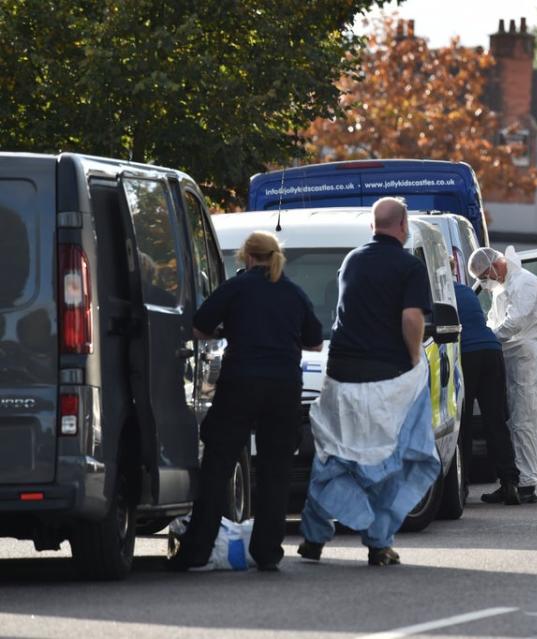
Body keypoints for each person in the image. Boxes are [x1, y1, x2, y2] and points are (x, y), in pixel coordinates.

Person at [168, 231, 324, 571]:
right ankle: (267, 552)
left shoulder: (236, 288)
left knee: (217, 467)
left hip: (241, 383)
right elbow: (315, 342)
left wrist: (229, 330)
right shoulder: (294, 294)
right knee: (276, 470)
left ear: (248, 257)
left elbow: (199, 327)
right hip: (284, 388)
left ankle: (197, 552)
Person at [298, 197, 439, 567]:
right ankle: (378, 542)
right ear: (404, 225)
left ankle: (313, 538)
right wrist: (412, 358)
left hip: (341, 376)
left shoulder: (352, 261)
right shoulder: (409, 267)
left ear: (372, 226)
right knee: (391, 461)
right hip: (387, 378)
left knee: (335, 456)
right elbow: (411, 318)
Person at [467, 246, 537, 505]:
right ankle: (511, 482)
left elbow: (515, 321)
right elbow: (495, 319)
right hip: (512, 357)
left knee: (528, 420)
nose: (484, 282)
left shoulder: (525, 282)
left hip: (528, 358)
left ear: (495, 266)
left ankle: (526, 485)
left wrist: (489, 339)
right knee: (512, 421)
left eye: (483, 276)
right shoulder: (502, 286)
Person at [452, 271, 522, 506]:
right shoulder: (464, 290)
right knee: (495, 420)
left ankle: (461, 487)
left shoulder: (437, 292)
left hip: (467, 353)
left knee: (463, 423)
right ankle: (510, 483)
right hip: (491, 349)